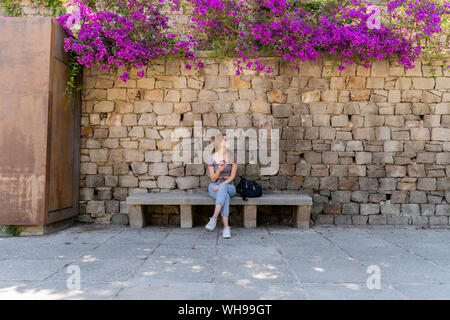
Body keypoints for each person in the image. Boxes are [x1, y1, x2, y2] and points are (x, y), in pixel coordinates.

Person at [205, 134, 238, 239]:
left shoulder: (233, 156)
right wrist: (219, 169)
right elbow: (213, 179)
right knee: (225, 196)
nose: (228, 140)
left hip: (229, 185)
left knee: (223, 189)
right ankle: (226, 228)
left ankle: (214, 218)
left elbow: (232, 176)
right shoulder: (211, 158)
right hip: (214, 186)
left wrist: (220, 185)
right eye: (225, 139)